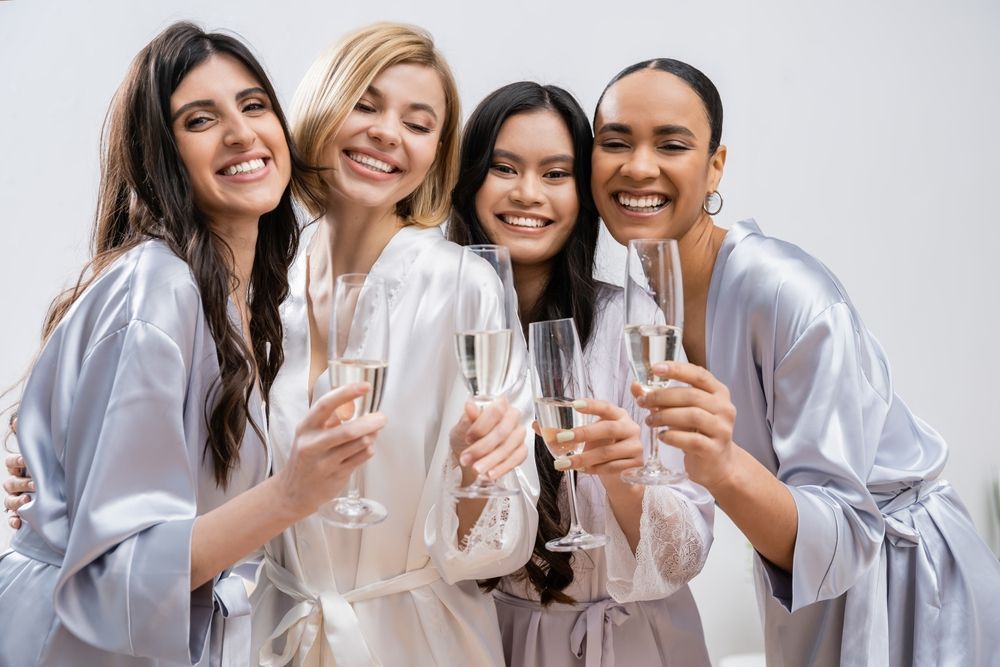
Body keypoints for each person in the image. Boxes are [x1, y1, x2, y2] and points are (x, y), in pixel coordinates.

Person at [590, 57, 1000, 666]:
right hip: (804, 584)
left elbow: (845, 528)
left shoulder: (785, 291)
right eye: (615, 142)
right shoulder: (644, 302)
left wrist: (721, 464)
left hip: (907, 581)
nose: (639, 166)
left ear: (715, 166)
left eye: (672, 144)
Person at [0, 22, 386, 666]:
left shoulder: (241, 297)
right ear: (162, 155)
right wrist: (291, 492)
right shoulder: (158, 289)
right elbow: (113, 576)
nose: (241, 133)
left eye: (254, 105)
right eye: (200, 120)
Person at [247, 24, 539, 666]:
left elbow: (499, 547)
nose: (387, 133)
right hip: (280, 634)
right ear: (324, 105)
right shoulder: (264, 282)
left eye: (418, 122)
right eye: (367, 104)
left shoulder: (464, 285)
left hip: (423, 644)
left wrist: (474, 469)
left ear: (436, 152)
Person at [448, 81, 713, 666]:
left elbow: (682, 558)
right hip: (491, 643)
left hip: (635, 644)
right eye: (504, 167)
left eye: (555, 173)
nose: (527, 193)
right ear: (469, 183)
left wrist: (621, 475)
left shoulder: (632, 321)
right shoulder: (438, 330)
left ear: (583, 194)